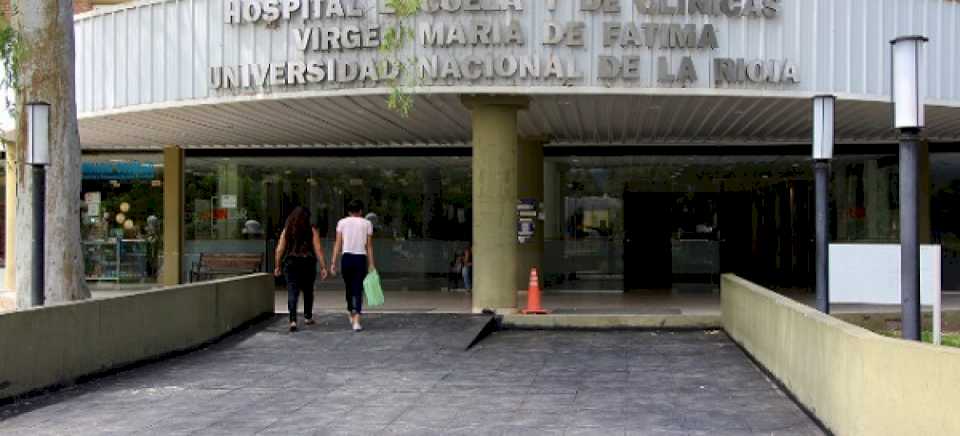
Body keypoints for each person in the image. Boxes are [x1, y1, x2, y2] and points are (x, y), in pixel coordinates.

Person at [274, 207, 328, 332]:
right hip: (307, 263)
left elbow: (280, 249)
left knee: (292, 291)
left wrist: (277, 265)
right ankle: (308, 317)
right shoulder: (312, 230)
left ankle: (293, 321)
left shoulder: (287, 230)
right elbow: (318, 249)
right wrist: (323, 267)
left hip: (291, 263)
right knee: (308, 291)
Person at [330, 200, 375, 332]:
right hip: (360, 257)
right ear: (361, 211)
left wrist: (333, 262)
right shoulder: (367, 223)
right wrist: (371, 263)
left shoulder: (342, 223)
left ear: (348, 211)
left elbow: (338, 244)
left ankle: (351, 311)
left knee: (349, 287)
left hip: (347, 257)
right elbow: (369, 246)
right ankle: (357, 319)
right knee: (358, 288)